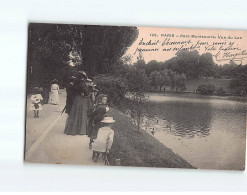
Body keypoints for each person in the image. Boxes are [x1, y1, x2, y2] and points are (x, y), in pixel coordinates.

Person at [64, 71, 90, 135]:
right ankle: (81, 130)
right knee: (82, 114)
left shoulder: (76, 83)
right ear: (83, 77)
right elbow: (87, 93)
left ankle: (74, 129)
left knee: (75, 114)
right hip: (82, 99)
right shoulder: (82, 84)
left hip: (77, 99)